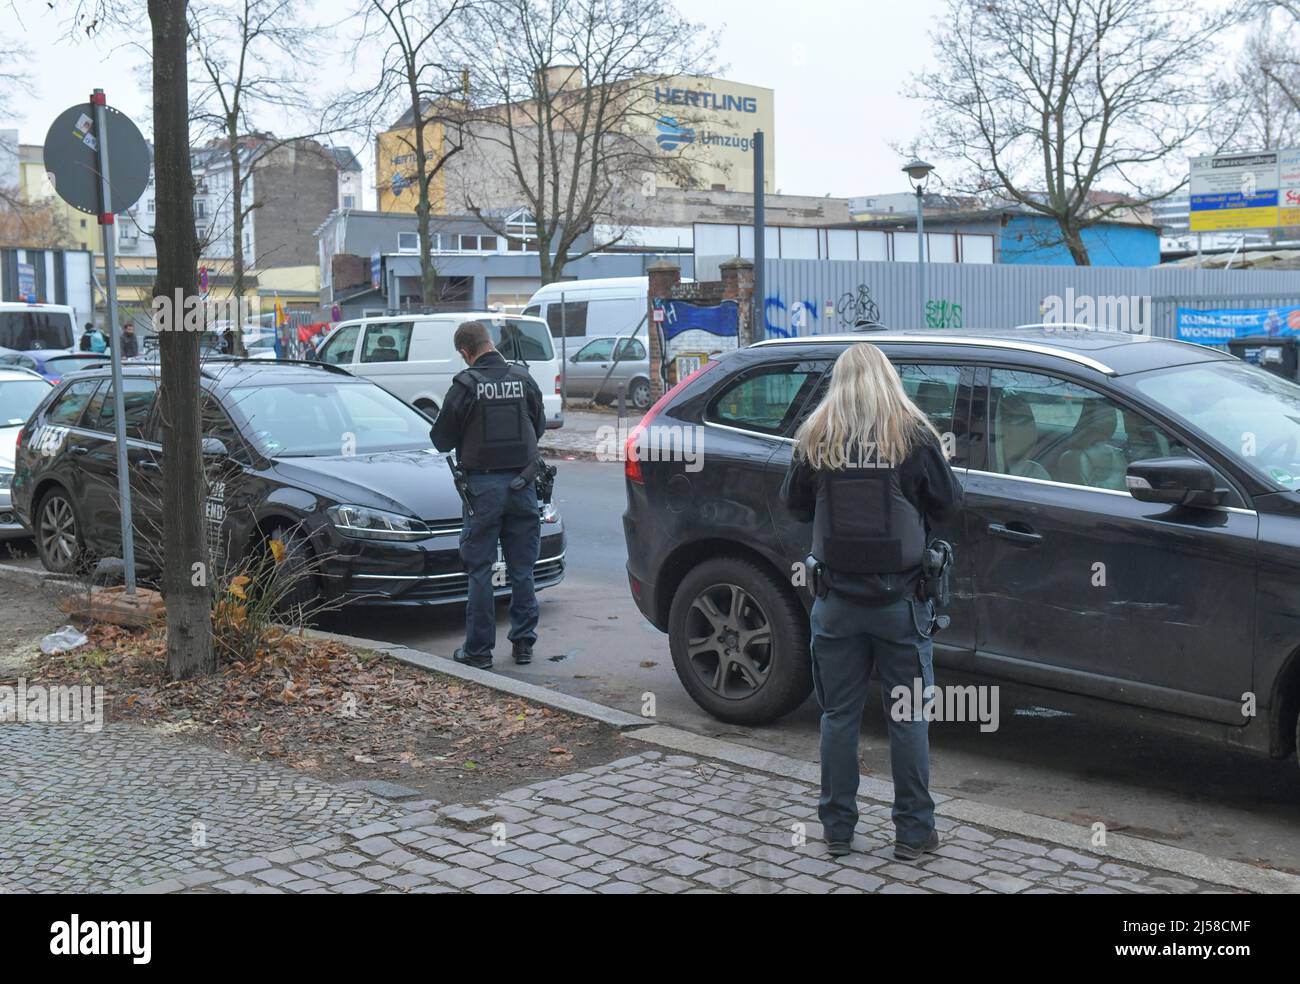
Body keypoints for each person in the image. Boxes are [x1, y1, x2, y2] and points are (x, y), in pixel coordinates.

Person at [780, 342, 963, 862]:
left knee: (838, 716)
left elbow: (793, 507)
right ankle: (913, 835)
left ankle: (837, 831)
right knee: (907, 719)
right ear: (888, 380)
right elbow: (948, 504)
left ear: (838, 384)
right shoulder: (913, 437)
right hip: (902, 605)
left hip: (836, 602)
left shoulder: (817, 437)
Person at [430, 320, 546, 669]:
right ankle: (524, 645)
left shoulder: (465, 385)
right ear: (490, 341)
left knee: (480, 569)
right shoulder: (523, 378)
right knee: (522, 567)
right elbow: (537, 427)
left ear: (466, 352)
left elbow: (441, 440)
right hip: (524, 485)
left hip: (483, 491)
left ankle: (479, 652)